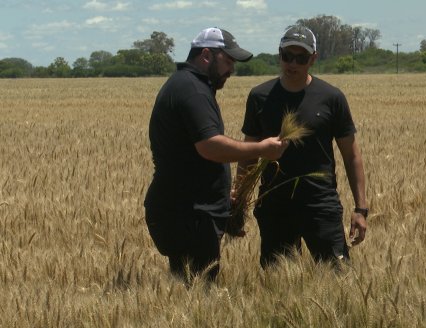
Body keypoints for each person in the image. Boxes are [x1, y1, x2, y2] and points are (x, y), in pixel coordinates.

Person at [144, 27, 289, 282]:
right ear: (207, 55)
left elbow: (192, 156)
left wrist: (223, 196)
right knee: (200, 289)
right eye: (229, 60)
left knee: (187, 287)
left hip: (183, 208)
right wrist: (262, 148)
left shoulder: (184, 84)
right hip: (190, 214)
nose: (232, 69)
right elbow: (209, 147)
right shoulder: (194, 90)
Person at [236, 26, 368, 269]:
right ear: (279, 54)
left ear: (313, 59)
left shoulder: (331, 97)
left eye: (301, 58)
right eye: (287, 56)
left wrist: (361, 209)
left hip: (320, 203)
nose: (292, 63)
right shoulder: (259, 96)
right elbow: (248, 154)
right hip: (274, 204)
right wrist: (238, 203)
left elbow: (351, 156)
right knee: (277, 283)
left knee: (337, 276)